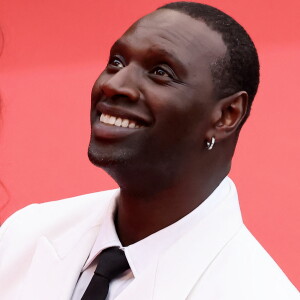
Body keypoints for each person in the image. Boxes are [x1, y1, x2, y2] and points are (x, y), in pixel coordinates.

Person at [0, 2, 298, 299]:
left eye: (160, 71)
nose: (115, 84)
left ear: (226, 115)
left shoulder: (260, 291)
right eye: (116, 62)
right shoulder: (24, 234)